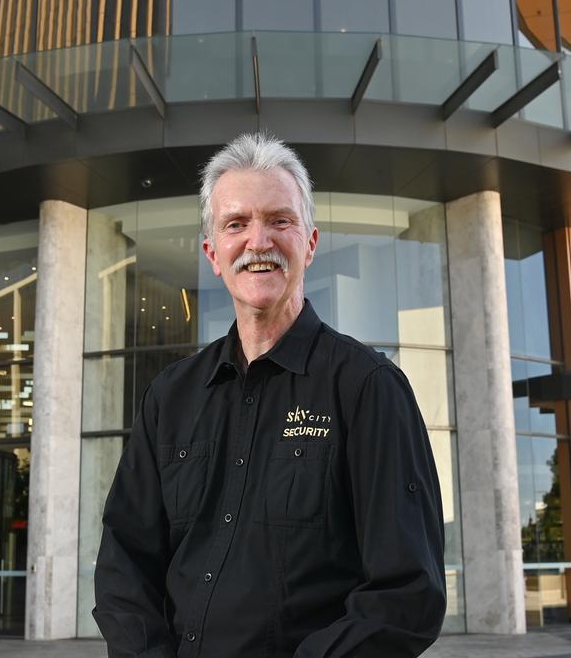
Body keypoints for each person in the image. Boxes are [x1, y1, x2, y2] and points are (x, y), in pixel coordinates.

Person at [93, 133, 446, 657]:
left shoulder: (368, 388)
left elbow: (407, 591)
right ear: (214, 253)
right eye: (236, 224)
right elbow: (125, 563)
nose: (258, 241)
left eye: (280, 220)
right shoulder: (171, 395)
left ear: (309, 242)